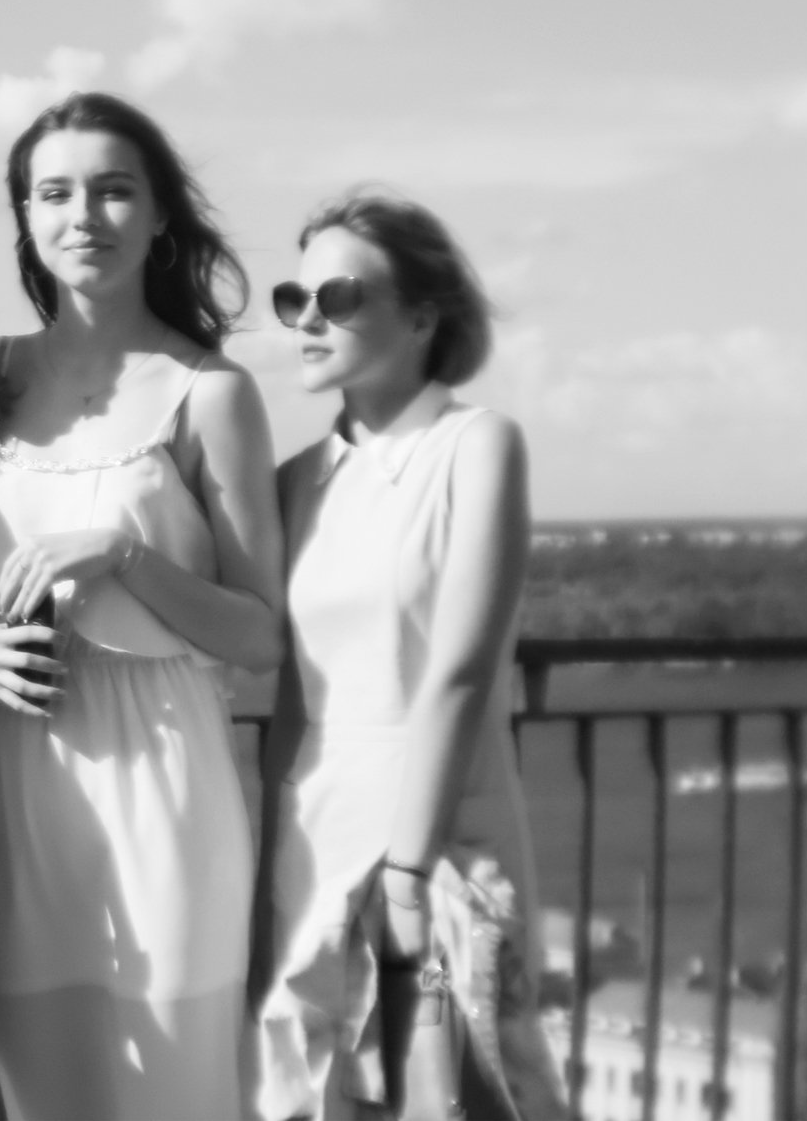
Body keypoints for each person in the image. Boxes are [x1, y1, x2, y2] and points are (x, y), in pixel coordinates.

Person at [0, 91, 285, 1120]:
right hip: (16, 773)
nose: (83, 216)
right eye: (54, 193)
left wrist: (125, 555)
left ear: (158, 215)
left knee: (176, 1092)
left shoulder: (210, 391)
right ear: (25, 218)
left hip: (164, 775)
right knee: (44, 1095)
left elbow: (261, 637)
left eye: (112, 190)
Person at [256, 192, 567, 1120]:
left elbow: (460, 673)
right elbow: (291, 696)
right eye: (295, 299)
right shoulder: (295, 483)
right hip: (314, 842)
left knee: (452, 1092)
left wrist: (406, 873)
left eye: (339, 296)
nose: (308, 320)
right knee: (313, 1096)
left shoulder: (475, 447)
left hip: (440, 844)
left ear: (424, 316)